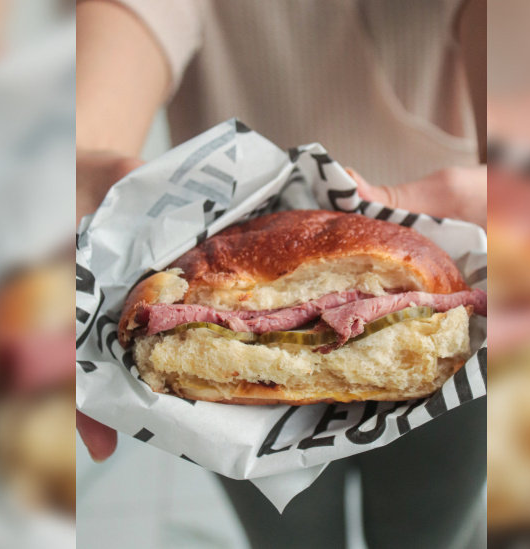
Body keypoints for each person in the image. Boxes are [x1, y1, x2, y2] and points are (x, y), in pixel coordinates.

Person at [76, 1, 487, 547]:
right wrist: (78, 165)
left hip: (454, 273)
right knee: (289, 538)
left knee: (431, 532)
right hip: (221, 303)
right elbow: (125, 23)